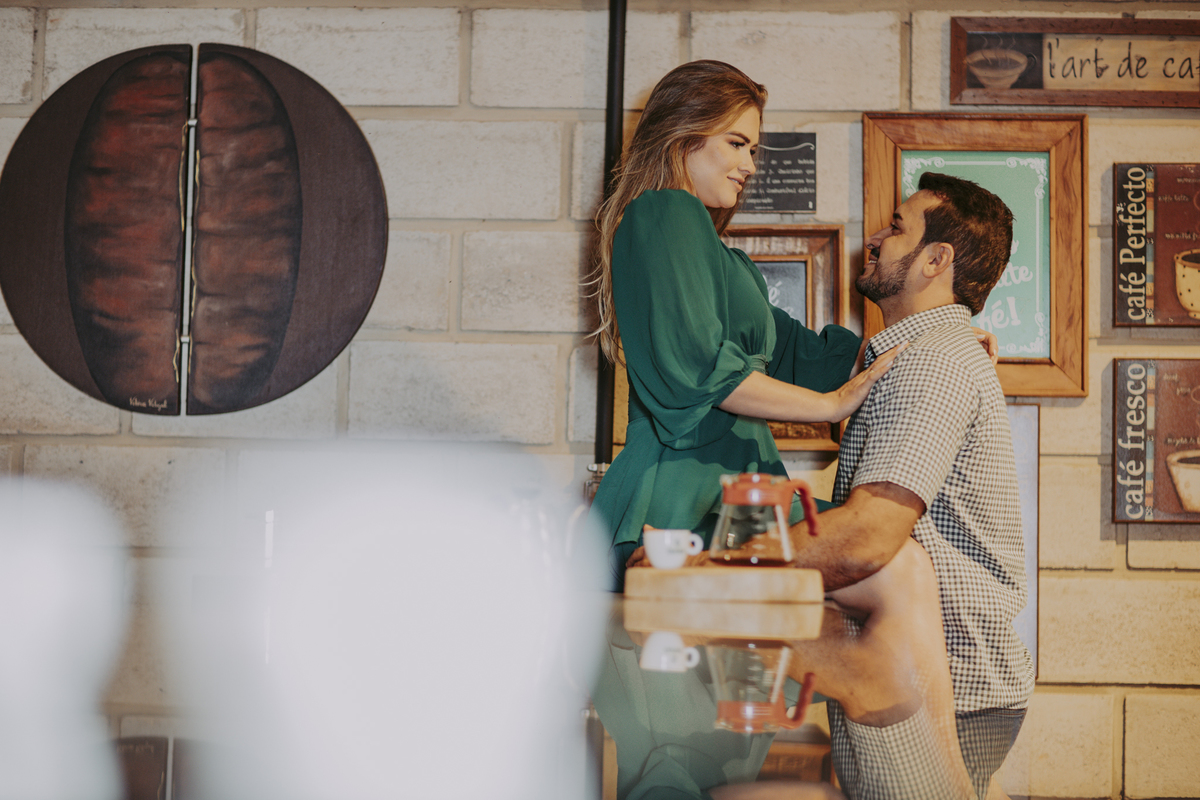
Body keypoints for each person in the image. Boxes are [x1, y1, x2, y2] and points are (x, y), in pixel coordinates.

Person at [589, 60, 901, 591]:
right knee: (891, 568)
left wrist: (937, 334)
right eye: (736, 144)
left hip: (729, 496)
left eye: (752, 149)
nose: (750, 165)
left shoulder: (723, 261)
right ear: (684, 135)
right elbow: (704, 373)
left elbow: (808, 358)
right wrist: (834, 405)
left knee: (889, 563)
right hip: (683, 500)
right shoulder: (664, 213)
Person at [787, 172, 1034, 798]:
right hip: (933, 676)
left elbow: (868, 535)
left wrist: (717, 564)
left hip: (945, 683)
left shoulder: (934, 360)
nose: (874, 238)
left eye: (896, 227)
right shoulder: (926, 353)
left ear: (936, 260)